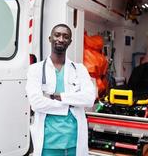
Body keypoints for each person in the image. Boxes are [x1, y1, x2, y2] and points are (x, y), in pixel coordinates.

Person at [26, 24, 96, 156]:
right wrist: (70, 105)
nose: (61, 39)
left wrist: (61, 97)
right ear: (50, 38)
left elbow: (89, 99)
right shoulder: (35, 69)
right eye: (57, 35)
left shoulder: (79, 69)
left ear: (70, 41)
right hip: (48, 143)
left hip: (74, 142)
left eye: (66, 36)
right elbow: (36, 103)